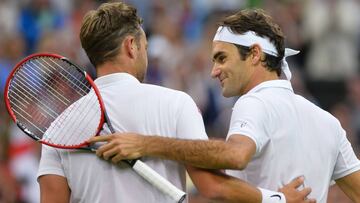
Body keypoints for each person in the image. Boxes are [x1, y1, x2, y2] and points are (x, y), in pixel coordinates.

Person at [37, 3, 314, 203]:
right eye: (145, 46)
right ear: (131, 46)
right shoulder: (177, 103)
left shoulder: (57, 129)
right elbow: (212, 187)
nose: (144, 53)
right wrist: (277, 199)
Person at [89, 8, 360, 203]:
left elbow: (235, 156)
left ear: (254, 54)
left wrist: (145, 144)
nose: (214, 71)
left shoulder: (254, 102)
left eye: (221, 58)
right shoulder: (328, 122)